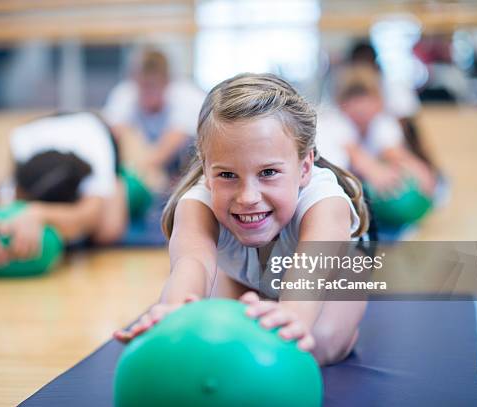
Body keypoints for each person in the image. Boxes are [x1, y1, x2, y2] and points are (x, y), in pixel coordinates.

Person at [115, 73, 370, 366]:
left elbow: (309, 276)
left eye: (268, 173)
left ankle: (342, 336)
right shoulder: (198, 204)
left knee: (307, 348)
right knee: (217, 347)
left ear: (304, 168)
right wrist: (174, 312)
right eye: (227, 175)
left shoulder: (325, 203)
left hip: (329, 282)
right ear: (207, 169)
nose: (248, 197)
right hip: (243, 277)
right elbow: (191, 264)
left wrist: (292, 316)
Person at [0, 112, 129, 266]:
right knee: (6, 204)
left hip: (97, 127)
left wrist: (39, 213)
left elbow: (87, 216)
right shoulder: (22, 143)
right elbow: (5, 208)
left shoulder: (94, 155)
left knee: (108, 230)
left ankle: (123, 176)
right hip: (39, 127)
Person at [317, 65, 437, 197]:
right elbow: (355, 155)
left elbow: (394, 152)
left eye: (367, 98)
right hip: (327, 183)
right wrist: (376, 171)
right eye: (353, 99)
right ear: (340, 102)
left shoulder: (382, 123)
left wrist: (419, 171)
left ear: (379, 101)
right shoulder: (336, 122)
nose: (361, 106)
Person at [102, 48, 205, 180]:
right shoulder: (125, 93)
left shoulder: (187, 97)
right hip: (145, 160)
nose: (147, 92)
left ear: (167, 82)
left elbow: (162, 152)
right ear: (134, 81)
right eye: (142, 86)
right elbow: (116, 133)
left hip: (185, 163)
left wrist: (141, 166)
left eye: (152, 86)